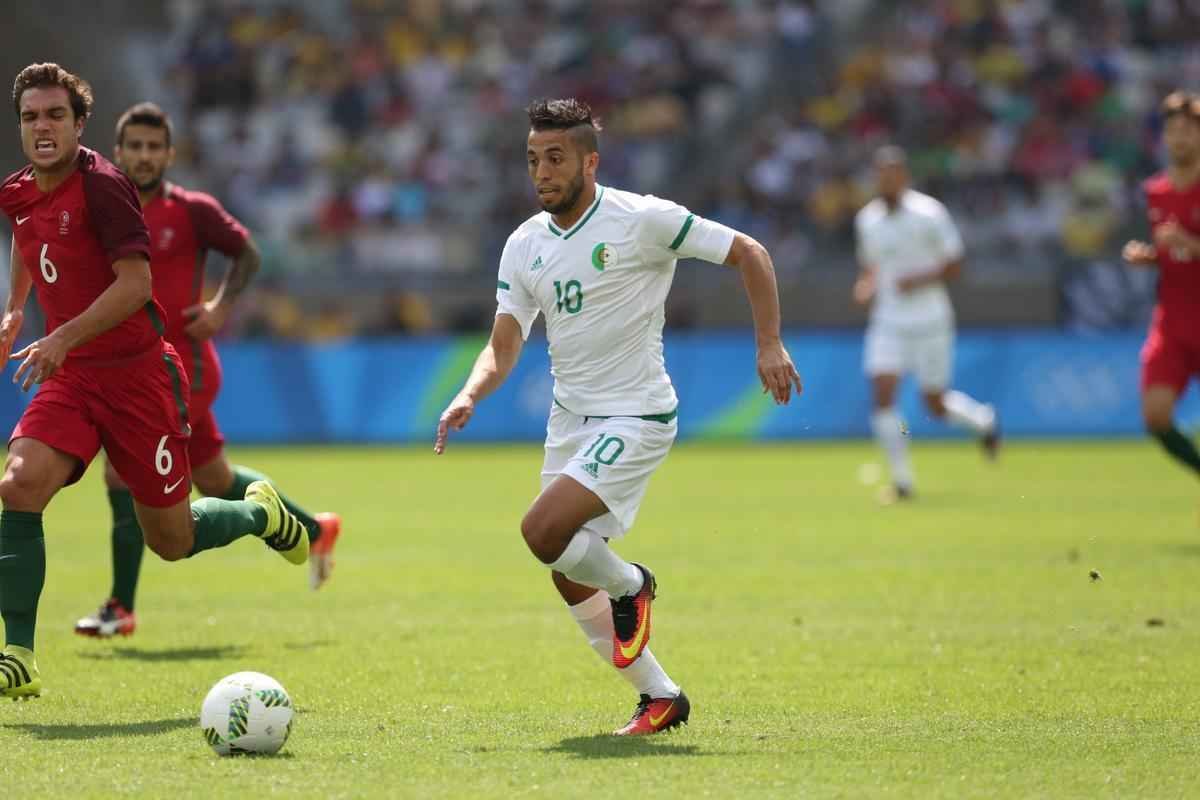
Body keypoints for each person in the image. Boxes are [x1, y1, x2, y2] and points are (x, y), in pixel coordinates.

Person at [434, 98, 801, 735]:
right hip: (570, 420)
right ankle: (660, 696)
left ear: (589, 161)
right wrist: (471, 392)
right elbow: (504, 343)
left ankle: (633, 584)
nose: (542, 172)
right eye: (532, 160)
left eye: (555, 158)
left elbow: (750, 252)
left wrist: (768, 341)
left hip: (636, 414)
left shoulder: (641, 219)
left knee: (542, 532)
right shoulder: (524, 245)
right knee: (566, 568)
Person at [0, 63, 308, 699]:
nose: (42, 127)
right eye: (30, 117)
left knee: (171, 540)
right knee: (20, 484)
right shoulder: (19, 191)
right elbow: (28, 244)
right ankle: (19, 653)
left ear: (79, 124)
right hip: (74, 378)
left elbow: (135, 285)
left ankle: (258, 513)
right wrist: (14, 307)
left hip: (138, 378)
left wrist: (57, 335)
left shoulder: (105, 188)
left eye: (55, 115)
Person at [72, 102, 342, 640]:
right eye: (136, 147)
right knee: (215, 477)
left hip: (182, 369)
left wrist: (219, 307)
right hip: (129, 369)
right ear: (118, 152)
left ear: (169, 154)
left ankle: (120, 607)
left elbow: (248, 254)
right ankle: (314, 529)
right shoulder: (102, 208)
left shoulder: (192, 210)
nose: (145, 156)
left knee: (120, 470)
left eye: (155, 147)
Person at [852, 146, 999, 503]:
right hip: (888, 321)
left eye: (893, 172)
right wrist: (867, 284)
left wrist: (916, 280)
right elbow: (873, 265)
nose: (886, 179)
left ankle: (982, 422)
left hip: (931, 320)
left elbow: (954, 265)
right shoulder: (867, 219)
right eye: (881, 173)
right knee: (883, 396)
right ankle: (902, 483)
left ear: (904, 176)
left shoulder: (929, 213)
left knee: (934, 403)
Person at [1123, 91, 1200, 480]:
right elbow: (1172, 255)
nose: (1179, 138)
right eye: (1172, 131)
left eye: (1187, 130)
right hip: (1172, 321)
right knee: (1155, 416)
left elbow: (1185, 248)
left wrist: (1189, 244)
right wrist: (1151, 257)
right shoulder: (1156, 191)